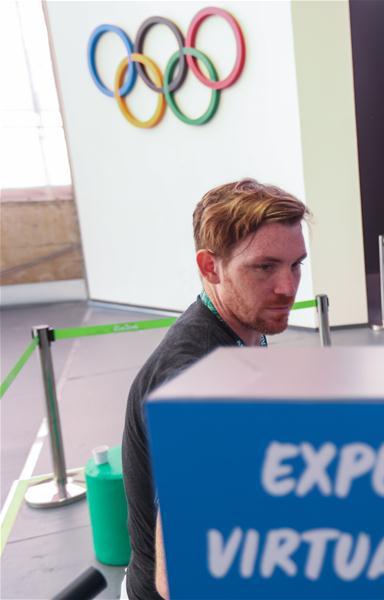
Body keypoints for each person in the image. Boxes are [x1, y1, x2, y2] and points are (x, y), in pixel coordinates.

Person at [121, 179, 308, 599]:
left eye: (296, 265)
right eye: (265, 267)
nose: (288, 287)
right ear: (210, 267)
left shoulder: (240, 327)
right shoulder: (194, 382)